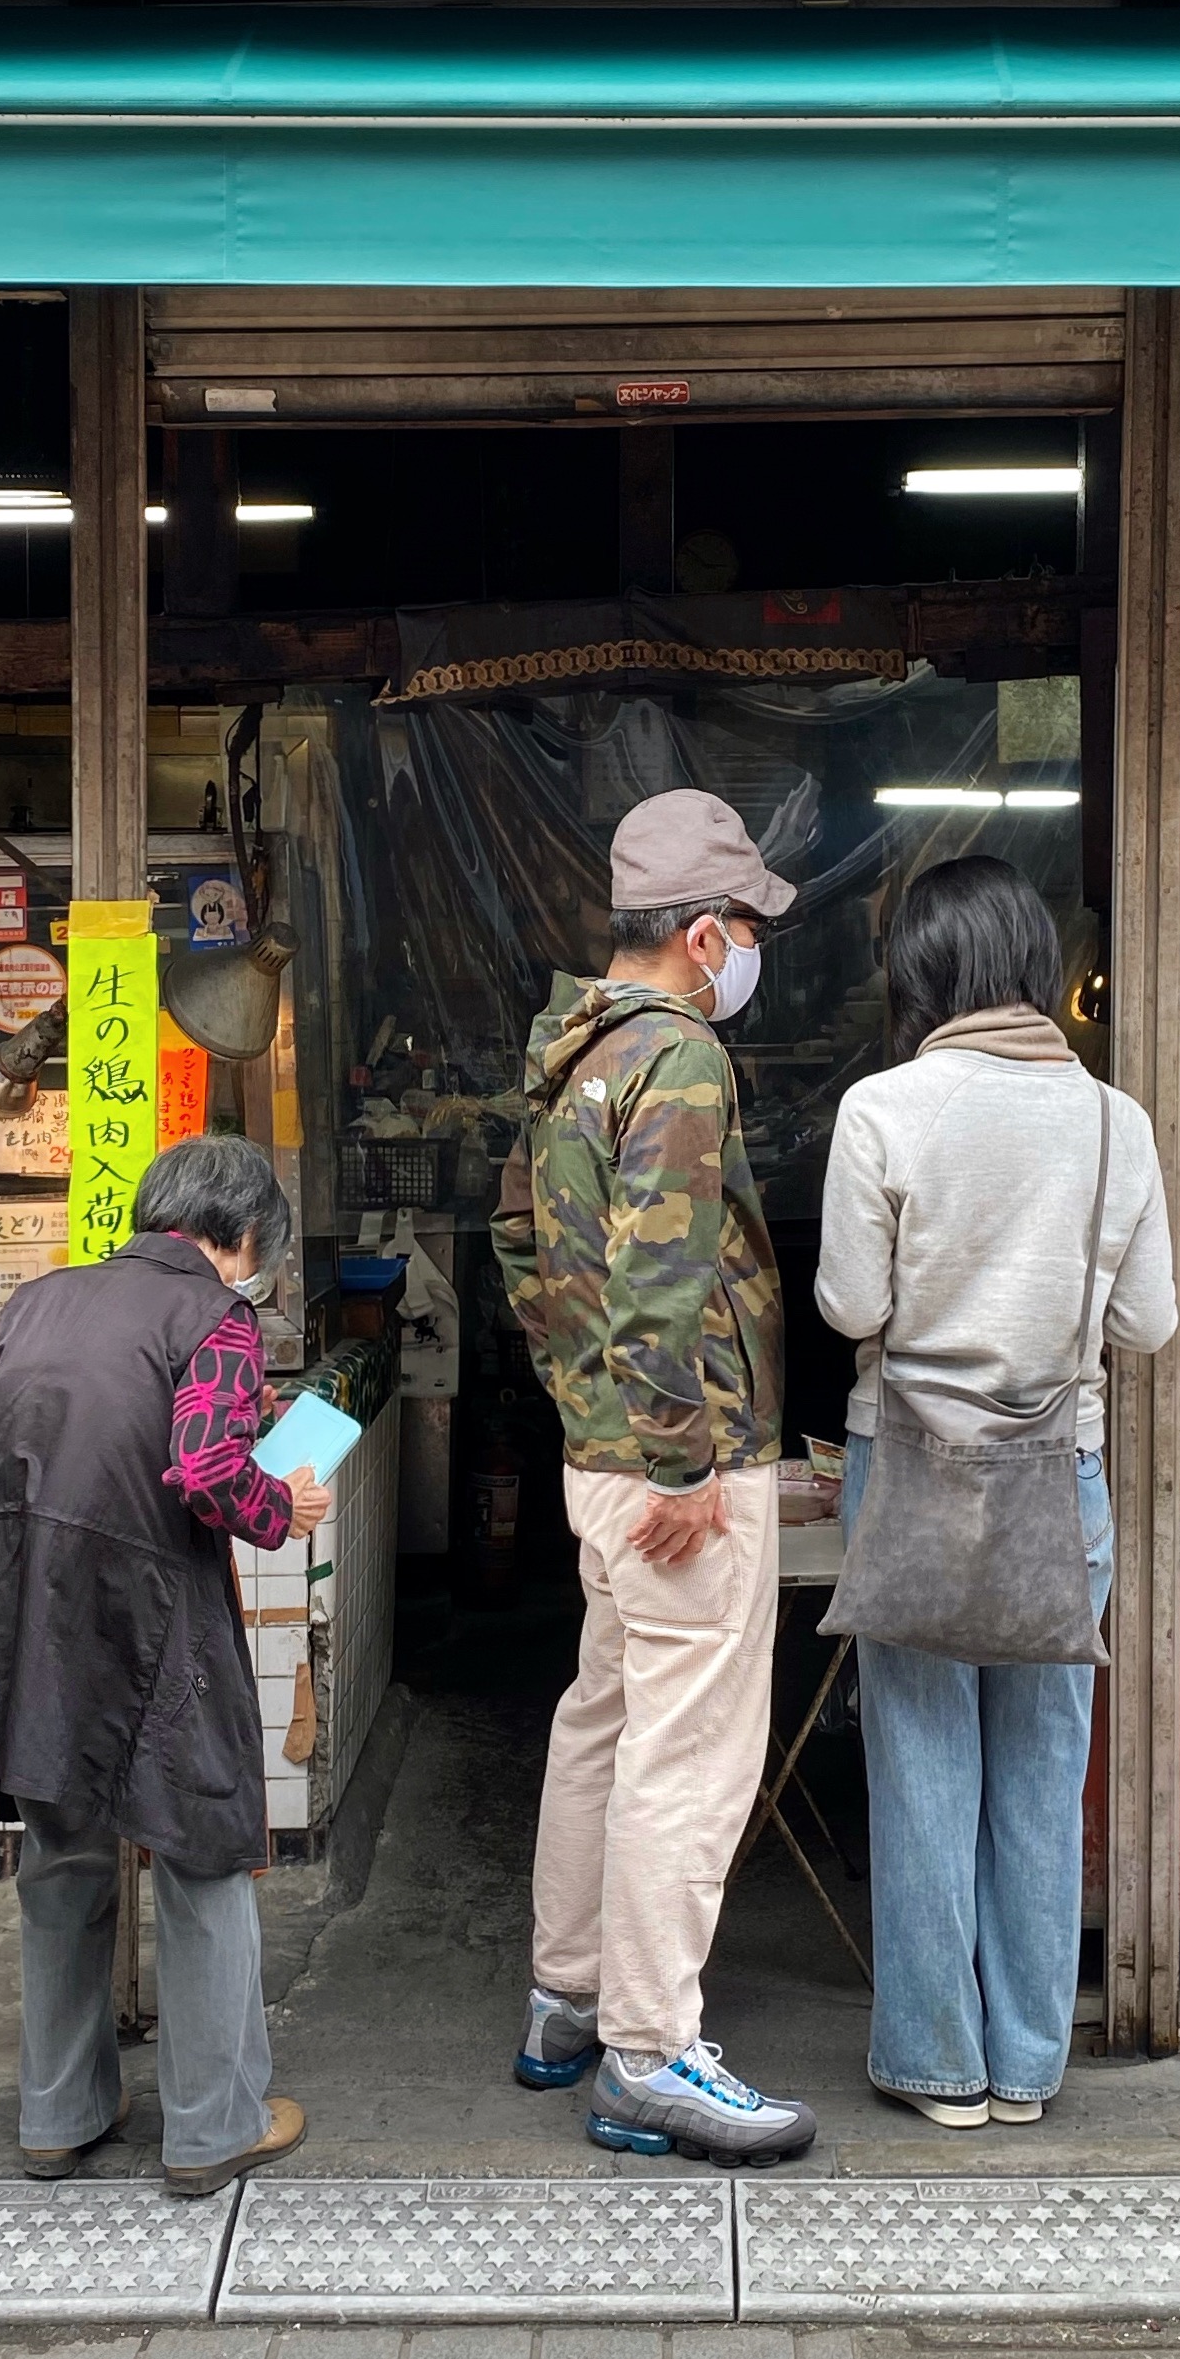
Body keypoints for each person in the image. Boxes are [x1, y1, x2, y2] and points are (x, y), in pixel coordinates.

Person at [815, 854, 1177, 2128]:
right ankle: (1028, 2063)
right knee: (1041, 1770)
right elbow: (1146, 1324)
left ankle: (933, 2060)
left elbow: (852, 1306)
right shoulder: (1113, 1121)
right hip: (1056, 1476)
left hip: (910, 1465)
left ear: (920, 971)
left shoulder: (882, 1110)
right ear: (1028, 965)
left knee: (919, 1767)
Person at [491, 787, 817, 2165]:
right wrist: (682, 1456)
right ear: (700, 932)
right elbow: (661, 1276)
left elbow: (520, 1248)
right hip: (681, 1472)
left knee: (605, 1723)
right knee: (688, 1760)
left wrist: (593, 1417)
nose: (752, 949)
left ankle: (565, 2000)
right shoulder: (678, 1059)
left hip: (599, 1460)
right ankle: (651, 2052)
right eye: (745, 926)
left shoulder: (569, 1054)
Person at [0, 1136, 329, 2195]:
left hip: (29, 1605)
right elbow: (202, 1469)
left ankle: (58, 2114)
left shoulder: (40, 1299)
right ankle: (211, 2127)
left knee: (62, 1852)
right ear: (238, 1237)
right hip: (152, 1611)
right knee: (200, 1852)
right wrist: (285, 1502)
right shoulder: (218, 1314)